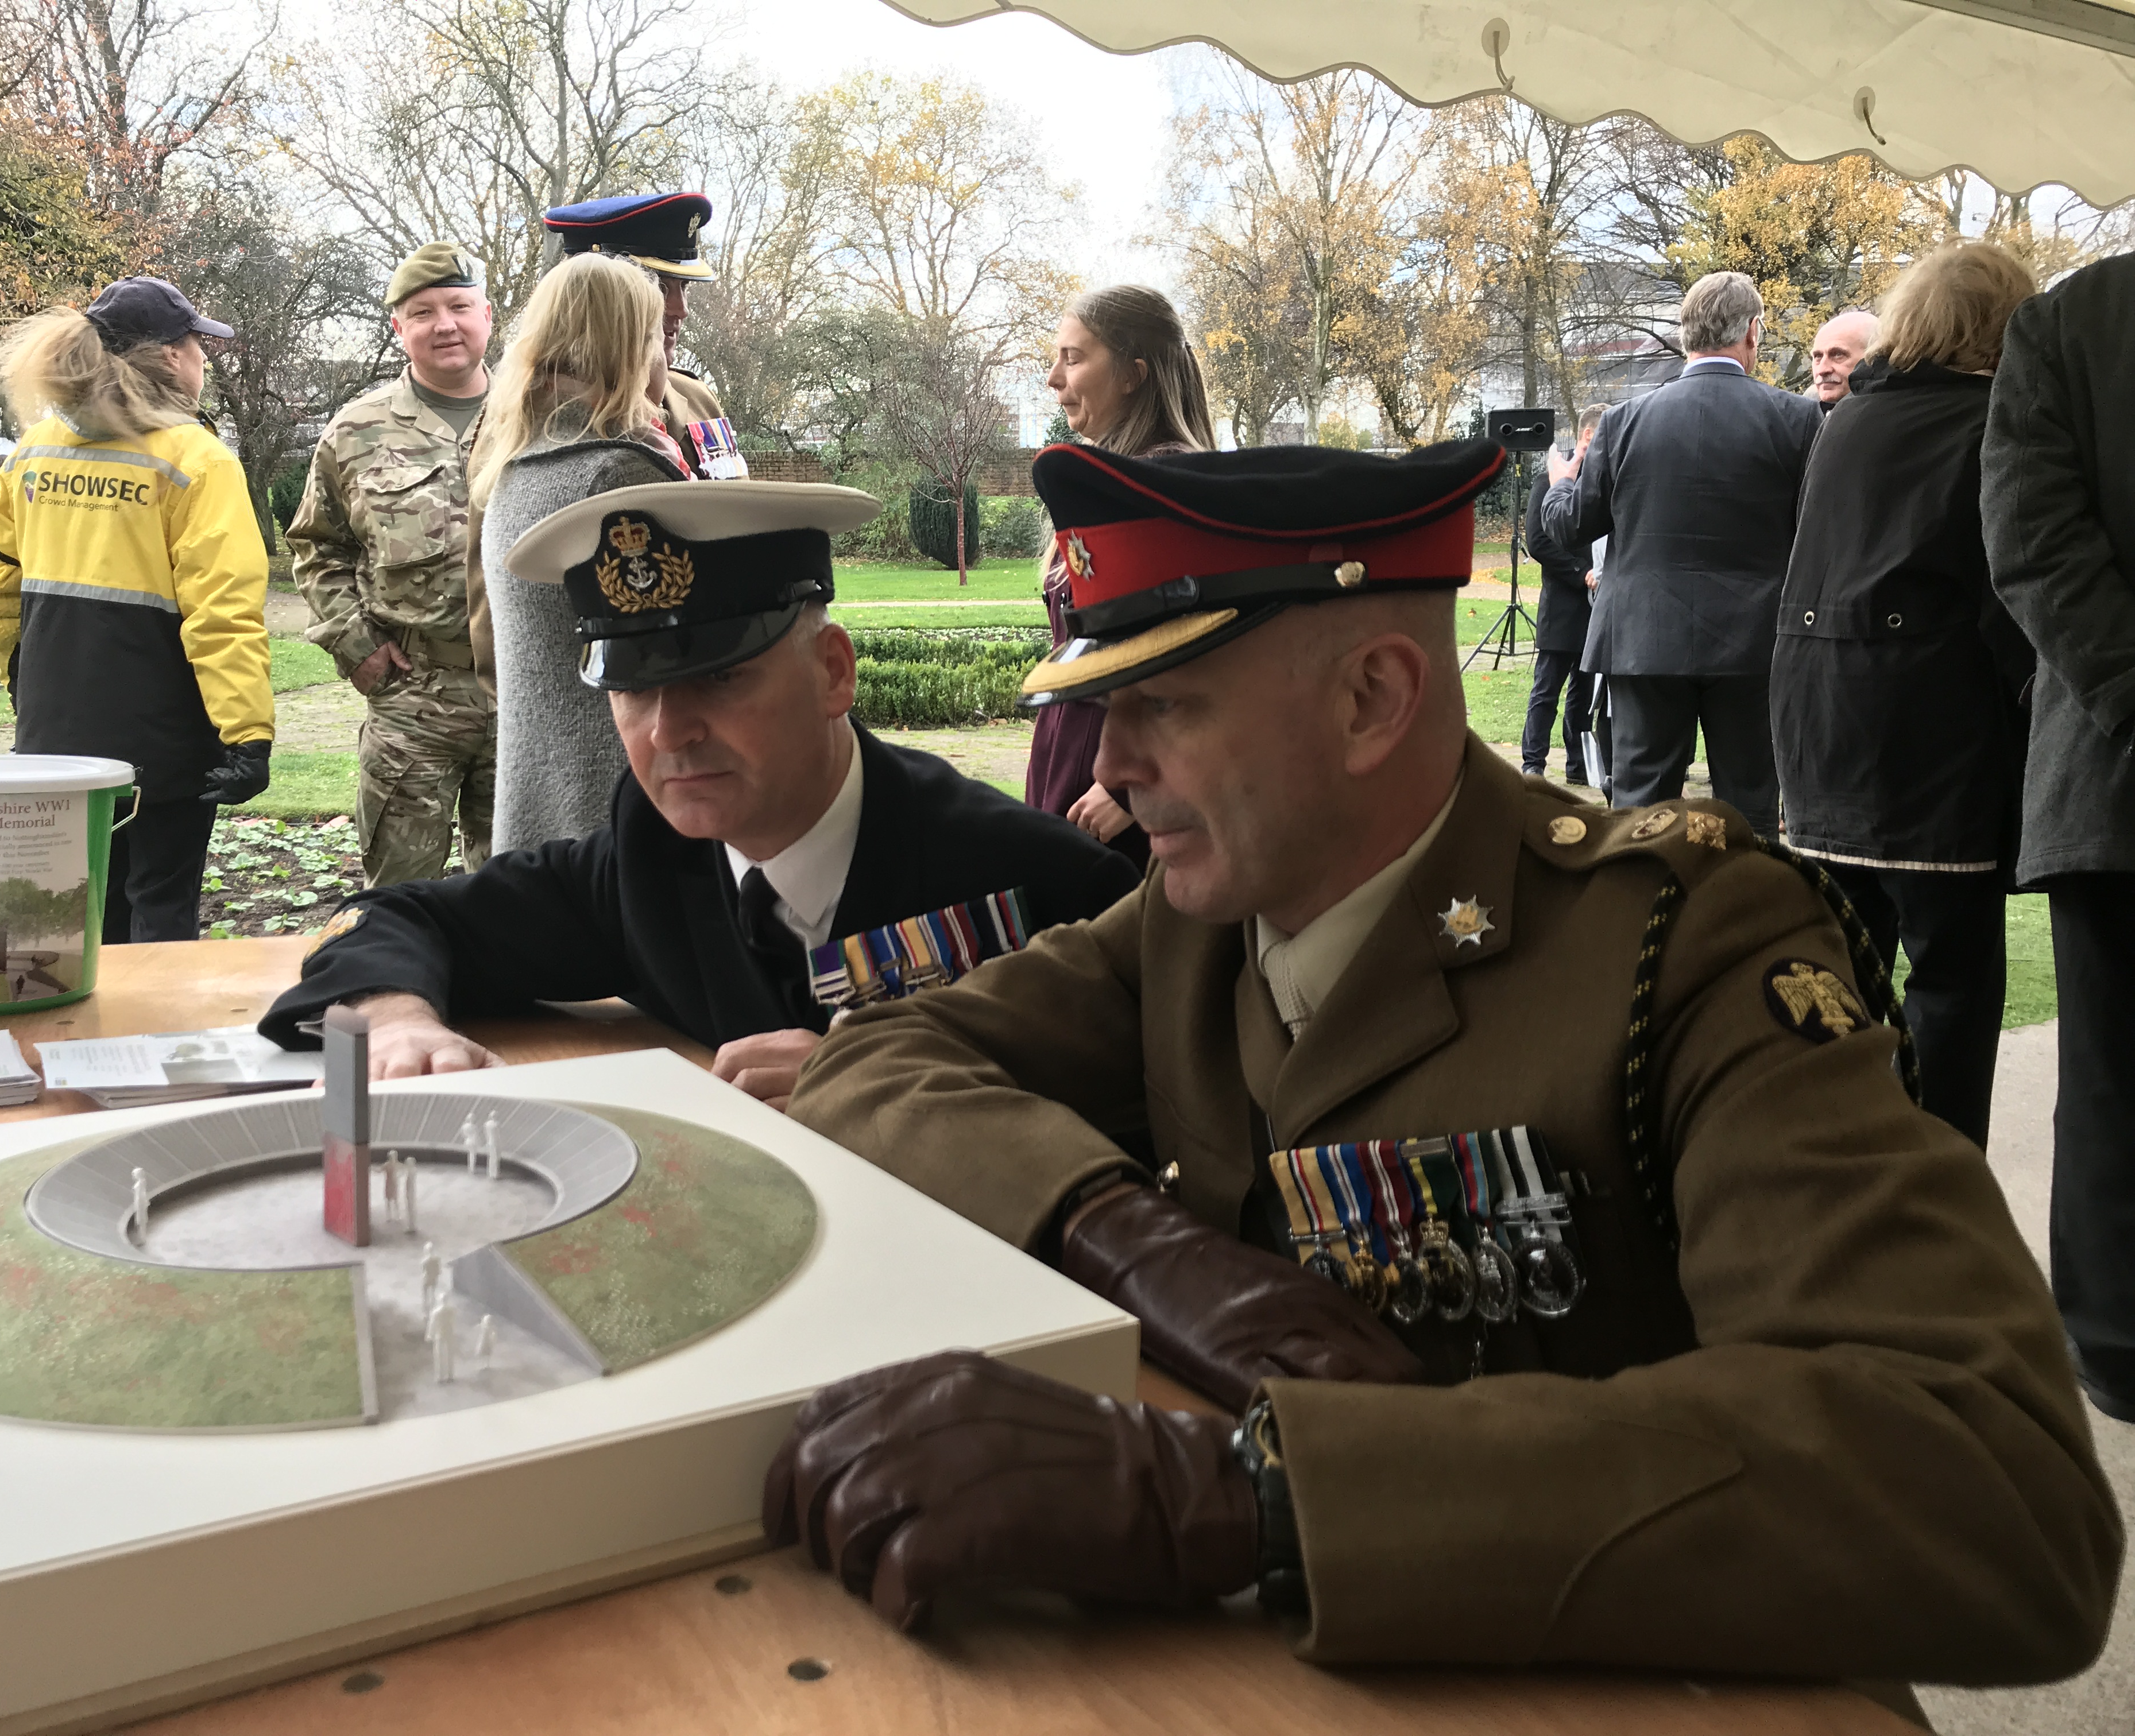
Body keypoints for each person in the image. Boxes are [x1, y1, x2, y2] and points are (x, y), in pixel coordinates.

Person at [767, 440, 2120, 1702]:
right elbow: (871, 1063)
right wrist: (1133, 1245)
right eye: (1101, 708)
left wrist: (1253, 1495)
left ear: (1372, 700)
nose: (1109, 767)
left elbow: (1995, 1480)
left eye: (1161, 704)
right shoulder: (1197, 921)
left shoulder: (1685, 940)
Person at [260, 481, 1140, 1106]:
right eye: (635, 689)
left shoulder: (1012, 868)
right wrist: (395, 1018)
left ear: (834, 675)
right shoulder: (655, 856)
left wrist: (892, 1076)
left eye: (719, 680)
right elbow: (401, 918)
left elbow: (1169, 1054)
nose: (668, 732)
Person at [1772, 243, 2038, 1152]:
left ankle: (1833, 1166)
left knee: (1839, 980)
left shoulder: (1847, 421)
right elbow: (2008, 588)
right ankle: (1939, 1187)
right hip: (1931, 734)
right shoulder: (1995, 424)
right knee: (1953, 982)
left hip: (1818, 726)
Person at [0, 277, 274, 943]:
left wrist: (27, 685)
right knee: (161, 907)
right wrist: (246, 734)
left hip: (55, 735)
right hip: (165, 737)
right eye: (200, 344)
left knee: (78, 916)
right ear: (171, 356)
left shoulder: (32, 452)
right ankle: (152, 1046)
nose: (204, 358)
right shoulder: (195, 460)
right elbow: (221, 611)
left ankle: (81, 1044)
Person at [1983, 250, 2135, 1424]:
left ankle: (2117, 1344)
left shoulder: (2066, 322)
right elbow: (2034, 543)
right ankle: (2119, 1344)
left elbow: (2032, 543)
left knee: (2111, 1080)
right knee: (2111, 1081)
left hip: (2109, 767)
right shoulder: (2075, 324)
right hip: (2113, 779)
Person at [1543, 272, 1822, 835]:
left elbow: (1570, 529)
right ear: (1753, 334)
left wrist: (1560, 485)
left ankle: (1633, 918)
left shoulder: (1623, 423)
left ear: (1687, 333)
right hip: (1755, 644)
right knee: (1750, 809)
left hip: (1644, 641)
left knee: (1640, 807)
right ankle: (1741, 919)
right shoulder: (1796, 419)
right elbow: (1818, 533)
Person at [288, 243, 497, 888]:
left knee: (526, 897)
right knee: (401, 898)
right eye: (423, 312)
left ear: (487, 315)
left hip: (526, 694)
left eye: (459, 306)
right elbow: (318, 547)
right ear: (398, 328)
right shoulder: (356, 432)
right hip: (413, 698)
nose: (445, 325)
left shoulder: (541, 417)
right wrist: (357, 647)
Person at [470, 252, 690, 855]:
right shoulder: (615, 475)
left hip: (541, 803)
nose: (663, 357)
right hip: (617, 815)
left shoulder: (517, 465)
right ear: (628, 348)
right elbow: (689, 649)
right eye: (654, 337)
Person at [1028, 286, 1215, 868]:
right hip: (1072, 761)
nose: (1054, 378)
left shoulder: (1167, 486)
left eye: (1074, 358)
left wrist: (1133, 789)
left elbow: (1206, 659)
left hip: (1116, 785)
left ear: (1134, 375)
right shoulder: (1108, 481)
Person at [539, 192, 748, 480]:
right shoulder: (528, 416)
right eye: (658, 288)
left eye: (684, 287)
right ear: (593, 300)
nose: (681, 310)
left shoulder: (696, 398)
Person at [1521, 404, 1604, 785]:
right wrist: (1581, 573)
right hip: (1563, 603)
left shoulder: (1606, 482)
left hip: (1598, 608)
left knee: (1584, 693)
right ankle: (1533, 765)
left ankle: (1578, 767)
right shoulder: (1551, 480)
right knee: (1547, 688)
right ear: (1589, 435)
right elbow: (1538, 541)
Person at [1808, 308, 1880, 410]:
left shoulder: (1894, 414)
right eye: (1818, 357)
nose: (1822, 370)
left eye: (1838, 355)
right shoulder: (1806, 413)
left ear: (1875, 357)